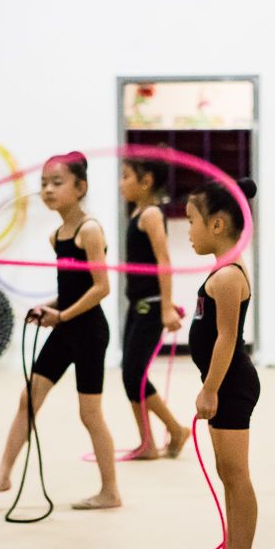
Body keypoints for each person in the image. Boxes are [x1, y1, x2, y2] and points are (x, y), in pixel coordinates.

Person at [0, 152, 122, 510]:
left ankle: (110, 492)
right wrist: (50, 307)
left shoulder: (89, 230)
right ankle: (3, 474)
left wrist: (62, 315)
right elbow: (72, 290)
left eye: (57, 183)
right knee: (28, 399)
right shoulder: (57, 236)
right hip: (66, 327)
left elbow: (101, 287)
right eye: (43, 183)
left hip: (88, 332)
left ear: (80, 187)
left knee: (90, 414)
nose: (48, 190)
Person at [186, 177, 260, 549]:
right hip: (224, 382)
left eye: (191, 221)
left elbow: (226, 338)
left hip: (231, 384)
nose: (188, 231)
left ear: (217, 224)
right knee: (227, 472)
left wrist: (210, 389)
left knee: (235, 473)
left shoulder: (228, 275)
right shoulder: (222, 270)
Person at [117, 156, 189, 459]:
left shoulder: (150, 215)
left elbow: (163, 260)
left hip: (150, 306)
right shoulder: (138, 213)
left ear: (146, 181)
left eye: (126, 176)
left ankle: (175, 429)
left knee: (134, 374)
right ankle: (147, 441)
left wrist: (166, 307)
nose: (121, 183)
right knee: (130, 375)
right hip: (138, 304)